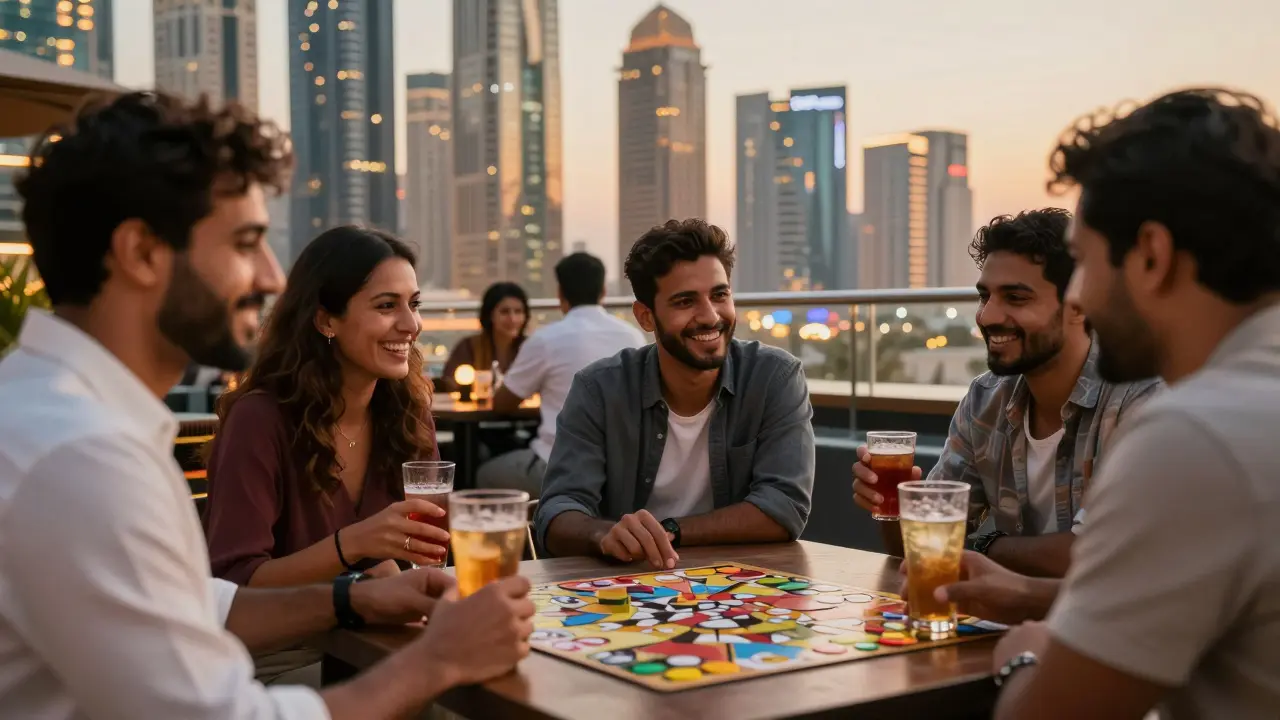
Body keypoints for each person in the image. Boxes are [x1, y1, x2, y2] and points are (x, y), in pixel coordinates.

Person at [0, 91, 533, 719]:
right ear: (141, 252)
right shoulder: (84, 457)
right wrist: (438, 659)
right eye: (247, 242)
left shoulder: (51, 415)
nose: (273, 276)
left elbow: (201, 602)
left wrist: (352, 600)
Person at [987, 88, 1280, 720]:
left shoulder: (1195, 437)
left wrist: (1026, 654)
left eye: (1085, 264)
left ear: (1151, 255)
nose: (1080, 298)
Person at [852, 209, 1160, 577]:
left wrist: (987, 546)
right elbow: (916, 548)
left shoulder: (1138, 400)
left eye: (1015, 298)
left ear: (1079, 305)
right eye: (985, 296)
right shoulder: (986, 400)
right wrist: (894, 506)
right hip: (1009, 621)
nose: (987, 316)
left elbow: (1101, 557)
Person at [203, 226, 450, 684]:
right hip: (279, 661)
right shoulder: (259, 420)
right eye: (386, 305)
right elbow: (234, 585)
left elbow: (415, 556)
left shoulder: (408, 413)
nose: (411, 325)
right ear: (325, 320)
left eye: (413, 304)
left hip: (380, 642)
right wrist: (355, 544)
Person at [534, 218, 815, 569]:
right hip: (626, 590)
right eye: (685, 302)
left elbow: (784, 506)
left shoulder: (774, 377)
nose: (710, 316)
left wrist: (667, 532)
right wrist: (603, 535)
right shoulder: (599, 389)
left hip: (740, 582)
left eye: (719, 294)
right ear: (646, 317)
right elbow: (557, 510)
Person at [478, 251, 646, 497]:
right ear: (603, 292)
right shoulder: (633, 336)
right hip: (624, 469)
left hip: (559, 464)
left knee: (485, 474)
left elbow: (502, 403)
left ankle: (527, 533)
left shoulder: (546, 339)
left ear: (560, 295)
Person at [439, 281, 529, 392]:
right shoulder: (468, 347)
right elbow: (449, 384)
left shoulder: (531, 347)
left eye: (518, 312)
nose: (512, 319)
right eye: (505, 312)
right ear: (490, 315)